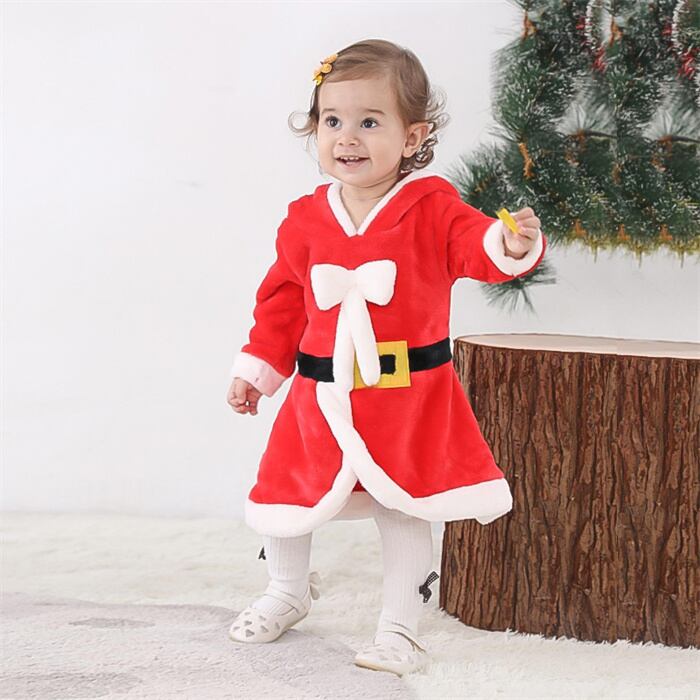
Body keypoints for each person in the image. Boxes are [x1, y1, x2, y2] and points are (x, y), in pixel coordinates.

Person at [226, 39, 546, 677]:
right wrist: (258, 368)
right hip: (319, 393)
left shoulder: (433, 208)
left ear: (412, 136)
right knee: (286, 496)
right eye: (332, 121)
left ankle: (400, 625)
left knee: (404, 505)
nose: (347, 137)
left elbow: (477, 246)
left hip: (407, 397)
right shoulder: (305, 219)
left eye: (369, 122)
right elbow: (282, 302)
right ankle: (287, 590)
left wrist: (509, 243)